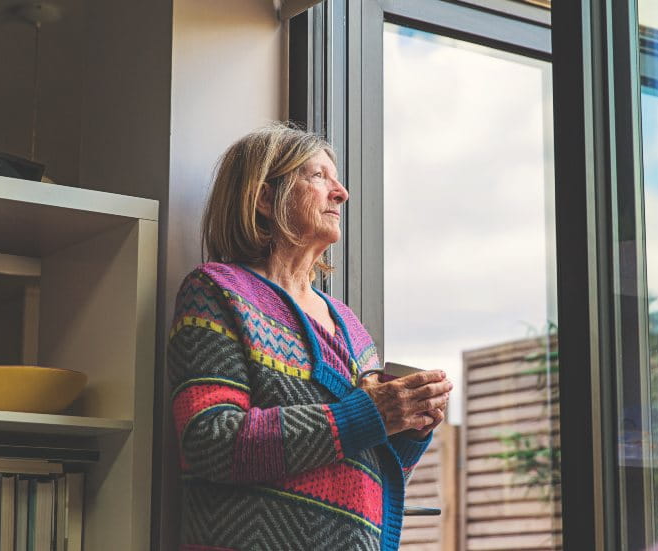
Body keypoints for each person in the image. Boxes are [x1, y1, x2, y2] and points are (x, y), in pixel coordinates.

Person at [169, 122, 453, 551]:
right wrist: (368, 415)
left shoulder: (351, 326)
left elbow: (368, 466)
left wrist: (408, 427)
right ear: (265, 197)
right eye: (319, 176)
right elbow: (211, 440)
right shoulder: (216, 291)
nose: (341, 193)